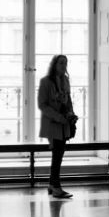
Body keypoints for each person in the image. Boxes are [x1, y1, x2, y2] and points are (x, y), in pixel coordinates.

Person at [38, 54, 77, 198]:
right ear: (54, 64)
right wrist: (58, 117)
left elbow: (68, 100)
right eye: (61, 63)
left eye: (65, 63)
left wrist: (71, 114)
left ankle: (52, 185)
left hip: (64, 123)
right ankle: (56, 187)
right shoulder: (45, 82)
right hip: (52, 123)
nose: (64, 66)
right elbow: (42, 105)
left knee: (58, 155)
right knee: (57, 156)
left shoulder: (65, 80)